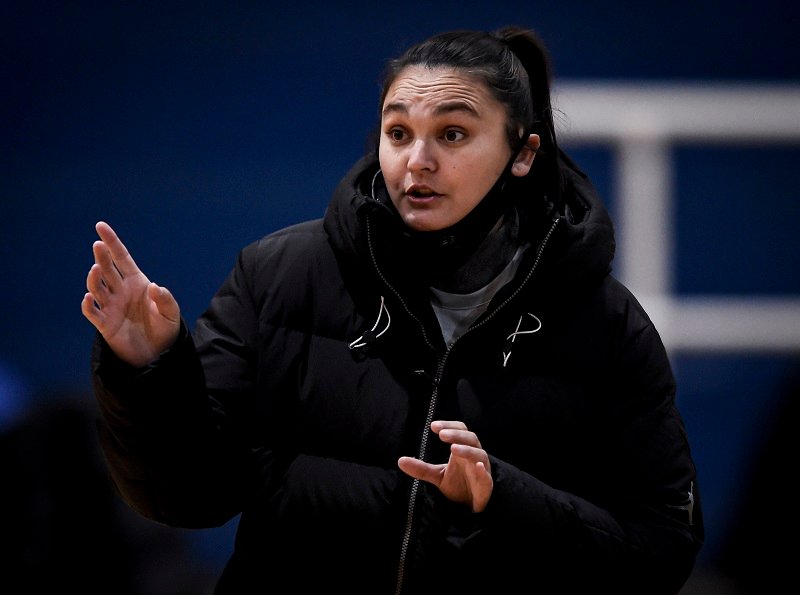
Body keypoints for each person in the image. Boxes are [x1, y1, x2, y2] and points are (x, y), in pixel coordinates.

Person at [81, 26, 704, 594]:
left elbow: (660, 552)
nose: (418, 161)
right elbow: (188, 497)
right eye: (398, 132)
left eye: (452, 134)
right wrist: (151, 369)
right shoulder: (280, 276)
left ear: (523, 153)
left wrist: (500, 499)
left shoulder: (606, 324)